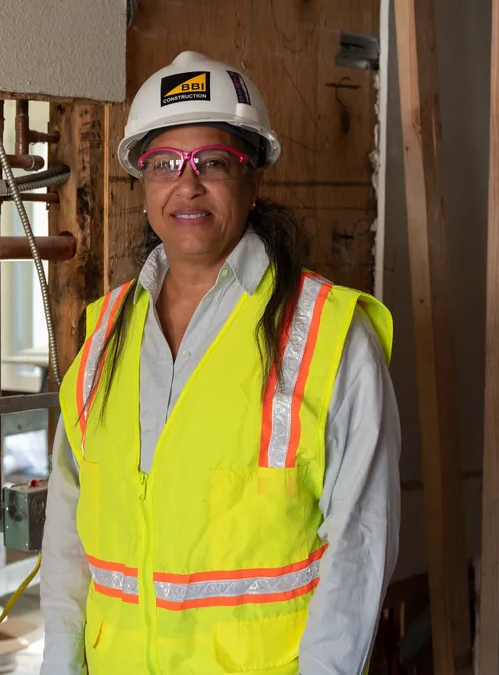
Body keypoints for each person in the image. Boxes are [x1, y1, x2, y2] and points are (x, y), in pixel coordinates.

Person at [38, 51, 401, 675]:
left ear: (253, 178)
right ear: (144, 183)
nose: (187, 184)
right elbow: (68, 536)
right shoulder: (103, 331)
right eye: (163, 165)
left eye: (212, 162)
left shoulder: (330, 334)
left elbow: (360, 549)